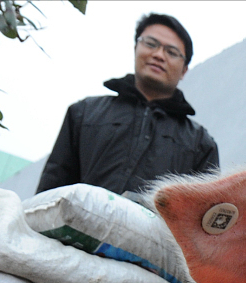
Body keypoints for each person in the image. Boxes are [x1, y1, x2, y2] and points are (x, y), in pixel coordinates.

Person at [36, 13, 219, 196]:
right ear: (135, 48)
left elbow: (203, 216)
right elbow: (49, 195)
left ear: (184, 70)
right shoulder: (83, 114)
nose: (158, 55)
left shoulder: (201, 145)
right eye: (150, 44)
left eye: (171, 52)